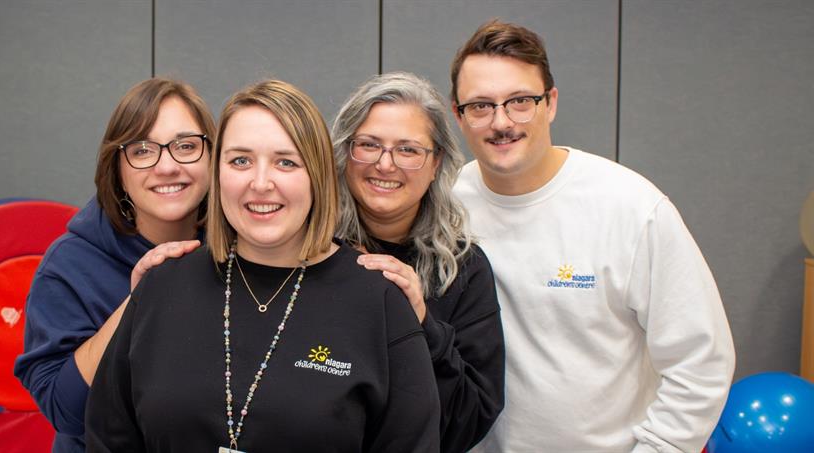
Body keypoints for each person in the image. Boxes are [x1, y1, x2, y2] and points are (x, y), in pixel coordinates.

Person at [85, 79, 440, 452]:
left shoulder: (379, 300)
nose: (260, 183)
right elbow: (109, 439)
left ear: (317, 176)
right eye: (241, 160)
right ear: (218, 173)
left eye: (285, 162)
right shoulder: (161, 287)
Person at [449, 20, 736, 452]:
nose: (501, 121)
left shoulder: (631, 208)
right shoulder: (447, 207)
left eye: (520, 101)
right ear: (459, 115)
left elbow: (701, 361)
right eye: (481, 106)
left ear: (551, 103)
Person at [13, 78, 215, 452]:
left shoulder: (239, 249)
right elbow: (66, 412)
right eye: (142, 150)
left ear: (212, 157)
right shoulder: (69, 266)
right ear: (117, 169)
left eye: (186, 146)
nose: (167, 166)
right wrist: (140, 300)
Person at [331, 71, 504, 452]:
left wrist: (423, 323)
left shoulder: (463, 271)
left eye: (407, 150)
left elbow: (469, 421)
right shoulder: (309, 249)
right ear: (345, 152)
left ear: (436, 162)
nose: (385, 164)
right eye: (369, 145)